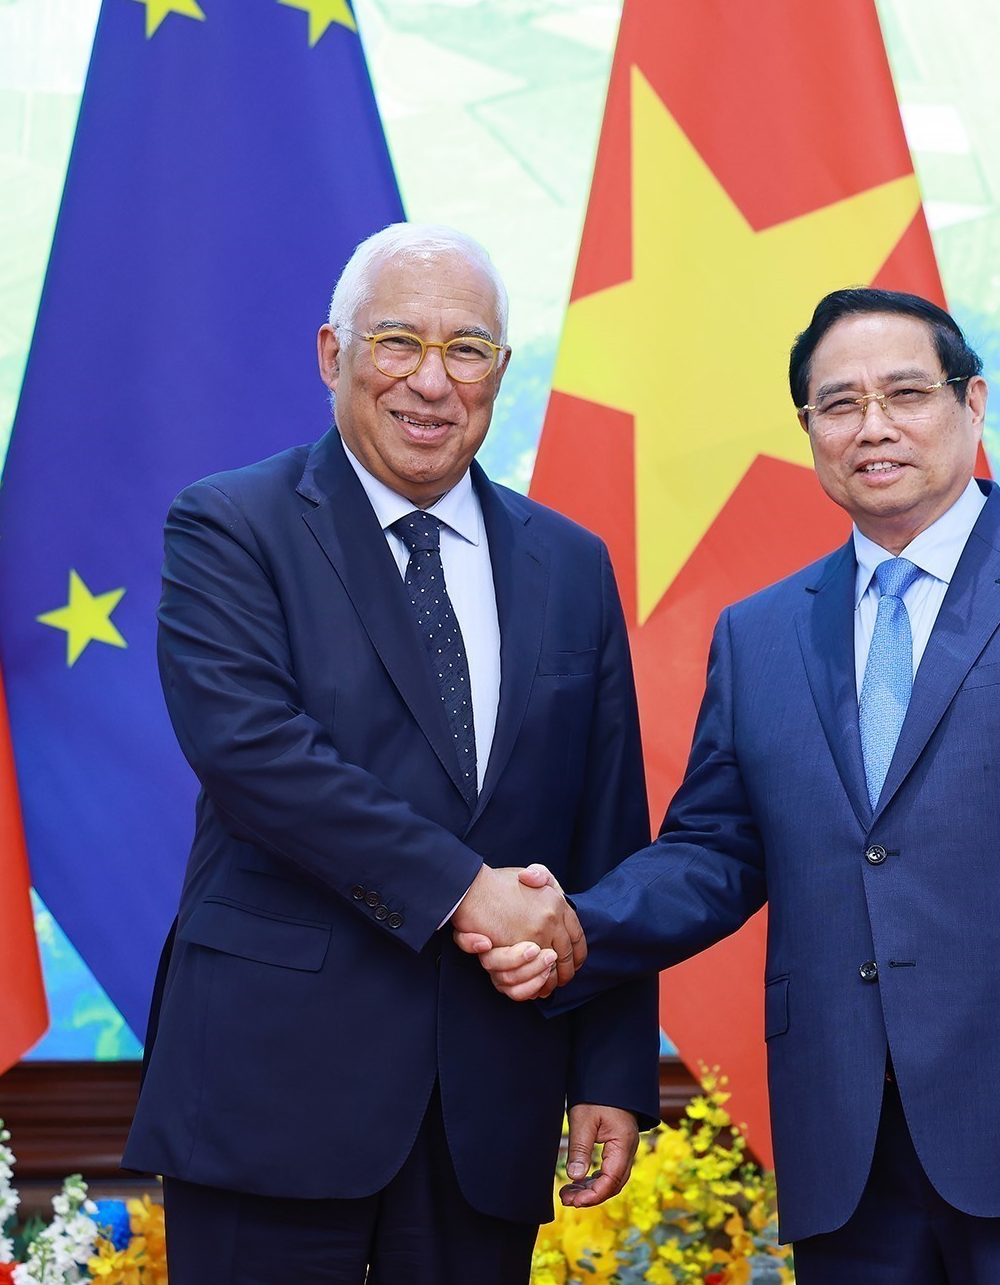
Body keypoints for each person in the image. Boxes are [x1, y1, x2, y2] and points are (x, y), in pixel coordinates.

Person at [461, 287, 1000, 1283]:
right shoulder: (762, 632)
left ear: (973, 403)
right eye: (838, 404)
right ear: (808, 431)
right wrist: (570, 925)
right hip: (849, 1162)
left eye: (905, 393)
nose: (872, 426)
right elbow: (714, 854)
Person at [123, 223, 658, 1285]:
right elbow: (257, 759)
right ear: (334, 354)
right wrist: (470, 893)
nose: (431, 380)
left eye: (467, 350)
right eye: (397, 342)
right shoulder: (231, 526)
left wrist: (610, 1066)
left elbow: (606, 826)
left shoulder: (570, 563)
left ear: (500, 373)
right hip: (269, 1089)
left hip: (490, 1101)